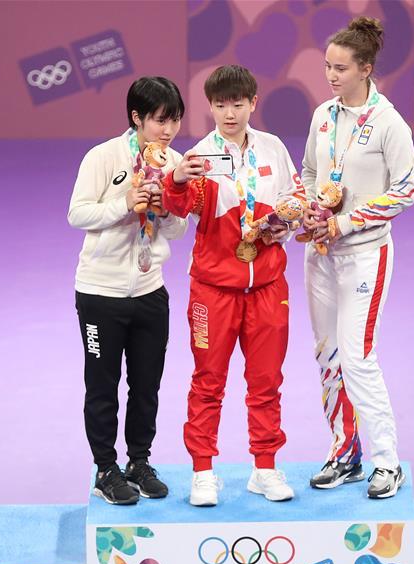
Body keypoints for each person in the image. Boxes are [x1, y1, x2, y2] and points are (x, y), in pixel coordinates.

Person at [162, 65, 306, 506]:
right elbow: (180, 207)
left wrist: (285, 220)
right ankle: (203, 472)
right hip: (214, 291)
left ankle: (265, 467)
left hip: (267, 288)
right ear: (209, 106)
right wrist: (177, 180)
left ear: (253, 103)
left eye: (238, 104)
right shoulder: (199, 157)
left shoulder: (273, 148)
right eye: (221, 105)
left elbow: (296, 196)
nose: (230, 113)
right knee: (208, 381)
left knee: (266, 381)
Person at [301, 16, 414, 499]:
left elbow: (406, 191)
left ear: (366, 69)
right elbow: (310, 172)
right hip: (320, 254)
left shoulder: (389, 124)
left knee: (357, 358)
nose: (331, 76)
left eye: (341, 68)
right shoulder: (322, 116)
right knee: (328, 356)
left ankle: (387, 462)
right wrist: (312, 210)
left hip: (366, 256)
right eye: (327, 66)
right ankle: (345, 452)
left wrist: (345, 223)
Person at [67, 76, 188, 505]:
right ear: (137, 117)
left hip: (150, 291)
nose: (168, 130)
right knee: (103, 386)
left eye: (174, 120)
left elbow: (178, 229)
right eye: (159, 120)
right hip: (101, 293)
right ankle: (106, 469)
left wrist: (165, 209)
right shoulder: (103, 157)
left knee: (146, 385)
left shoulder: (175, 163)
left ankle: (139, 462)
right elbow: (77, 213)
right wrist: (125, 204)